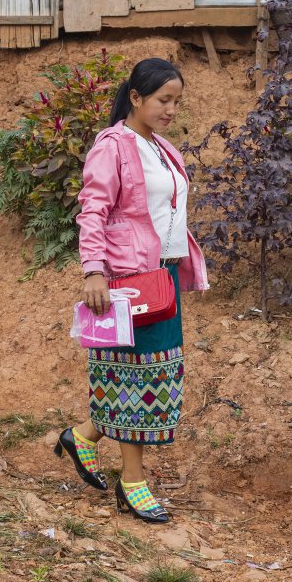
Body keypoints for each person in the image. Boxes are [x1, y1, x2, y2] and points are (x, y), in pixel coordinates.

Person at [53, 58, 209, 524]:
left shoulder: (162, 147)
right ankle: (133, 484)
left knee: (151, 377)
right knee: (136, 382)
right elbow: (92, 211)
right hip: (124, 280)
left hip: (160, 280)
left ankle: (82, 436)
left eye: (177, 101)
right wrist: (94, 271)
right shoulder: (113, 146)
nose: (171, 110)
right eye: (164, 100)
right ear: (136, 97)